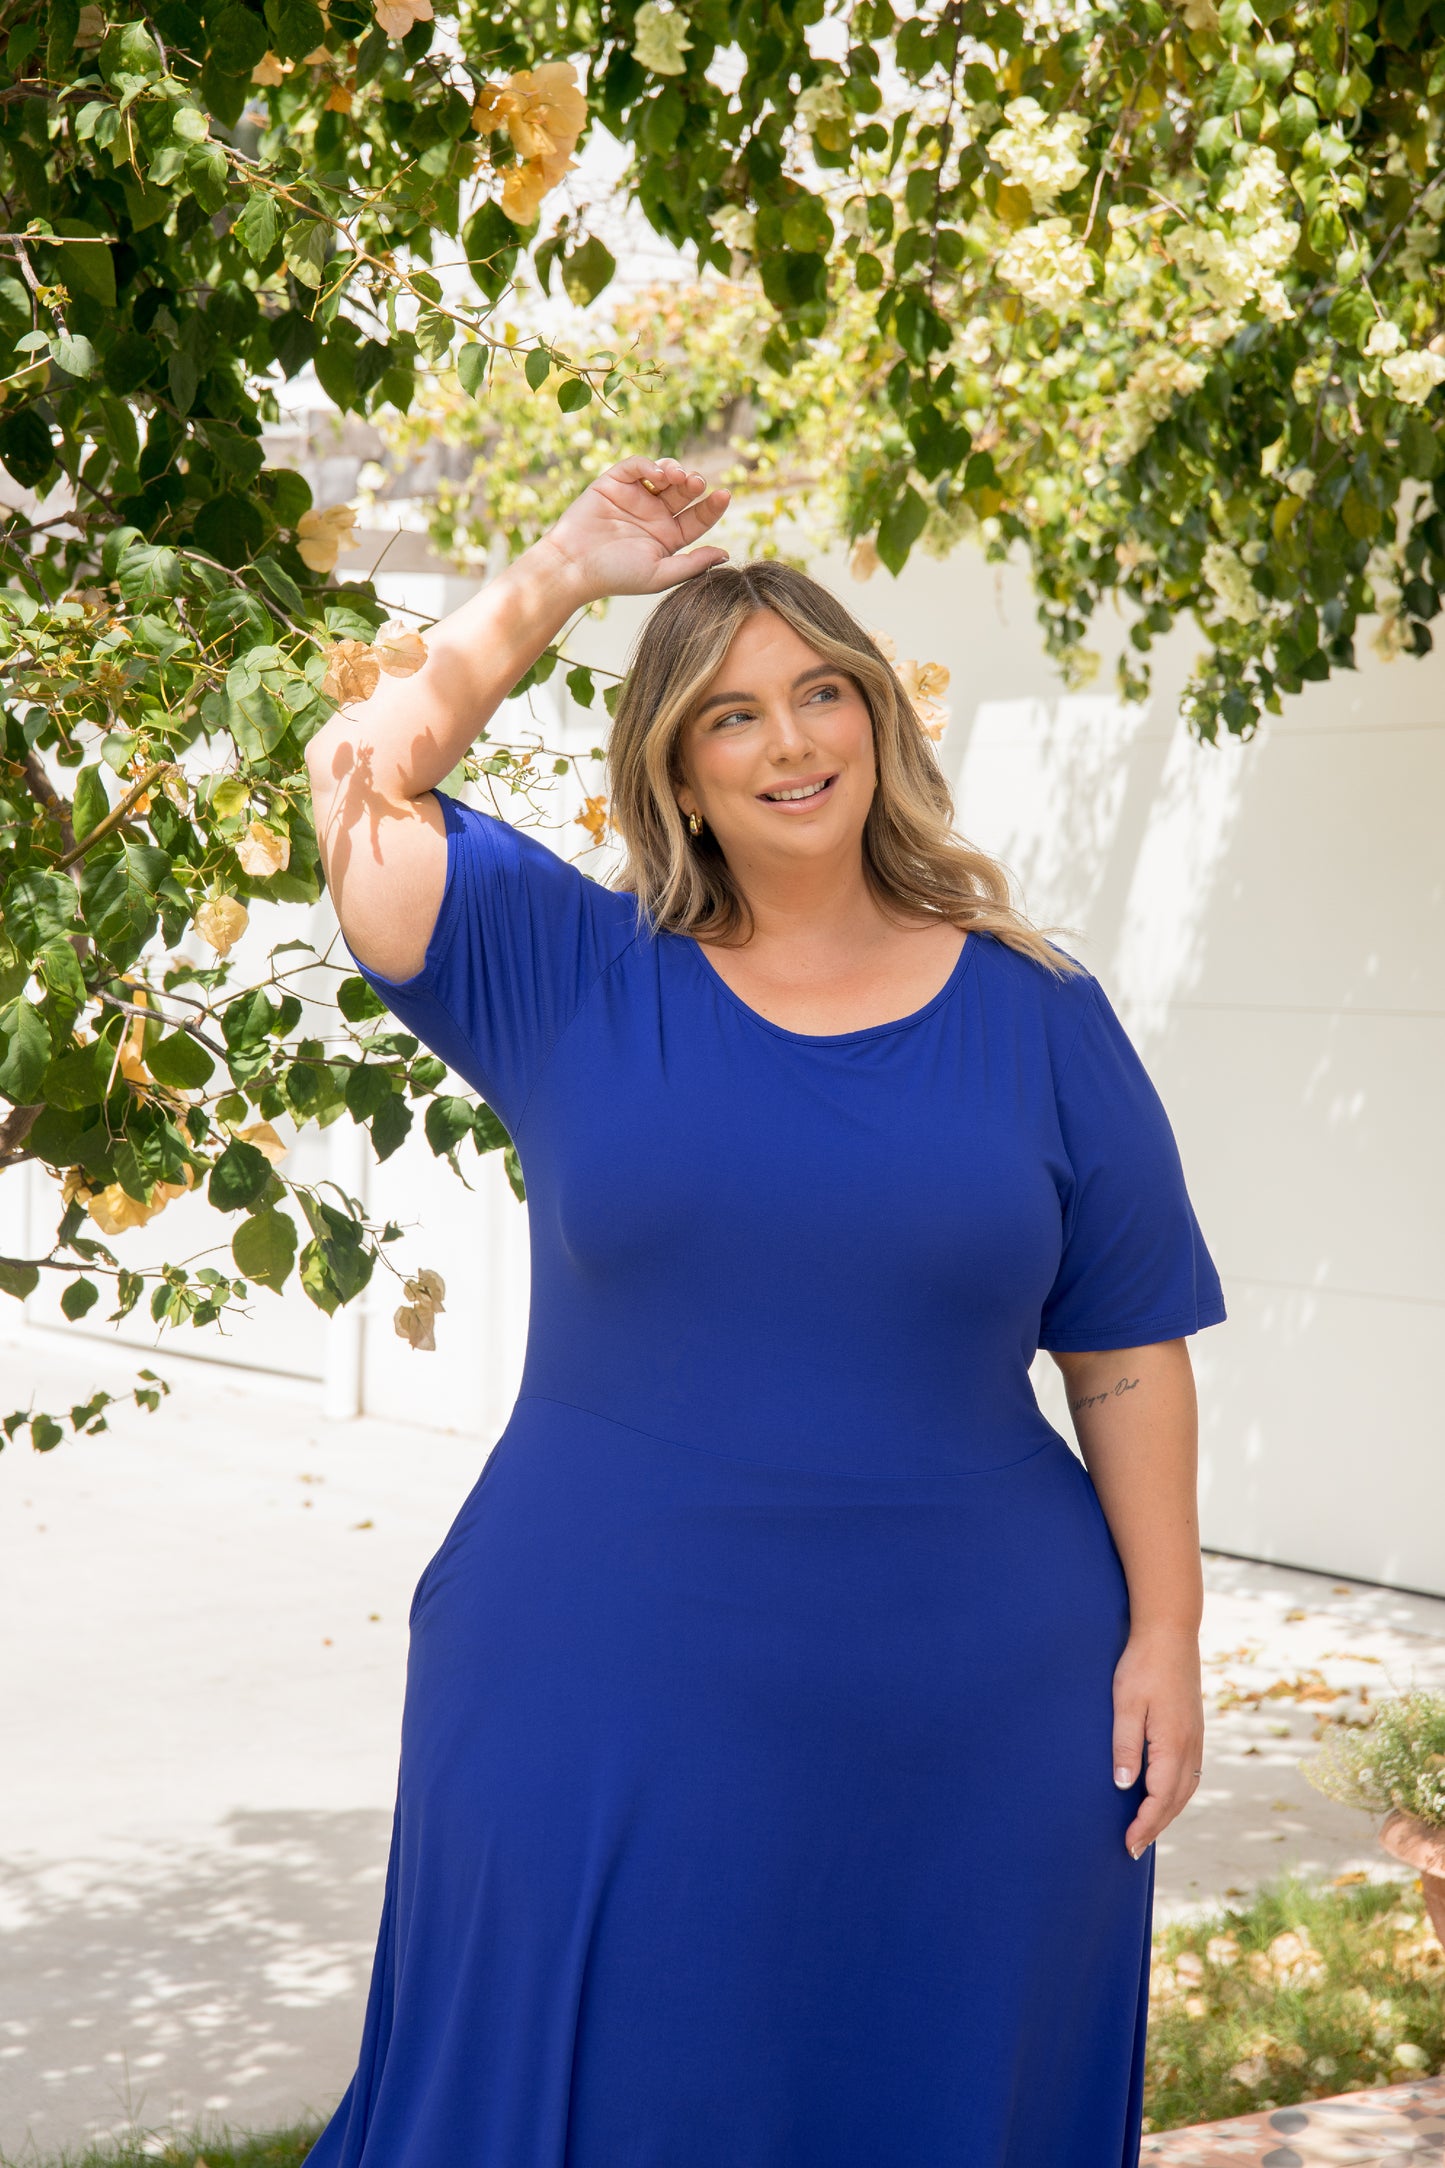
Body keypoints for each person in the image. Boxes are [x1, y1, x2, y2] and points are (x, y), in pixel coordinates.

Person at [303, 455, 1227, 2168]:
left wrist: (1164, 1632)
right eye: (730, 716)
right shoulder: (569, 972)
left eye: (820, 694)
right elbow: (354, 775)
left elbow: (1121, 1355)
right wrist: (566, 575)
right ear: (675, 767)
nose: (789, 742)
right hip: (598, 1685)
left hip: (977, 1704)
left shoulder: (1039, 1015)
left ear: (877, 720)